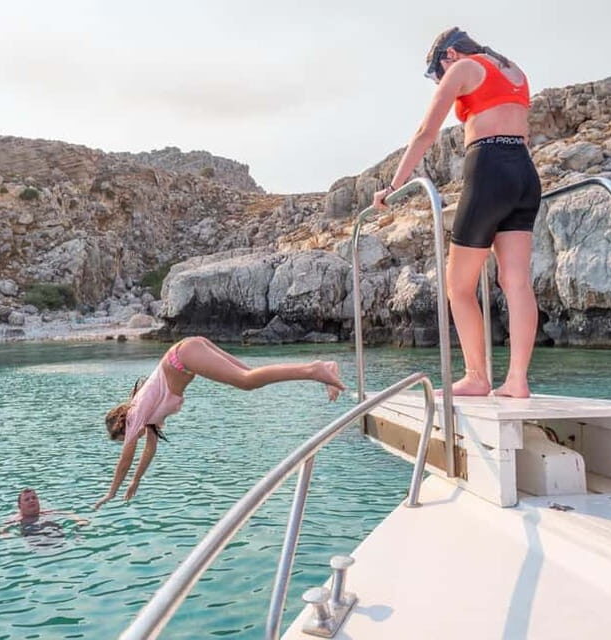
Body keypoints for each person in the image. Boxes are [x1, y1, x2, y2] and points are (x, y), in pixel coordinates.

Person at [373, 27, 540, 398]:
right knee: (516, 282)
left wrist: (393, 186)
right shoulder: (514, 71)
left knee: (458, 285)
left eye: (437, 73)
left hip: (490, 169)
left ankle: (477, 376)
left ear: (447, 55)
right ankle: (517, 380)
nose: (440, 80)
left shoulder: (463, 68)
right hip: (524, 173)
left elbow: (425, 132)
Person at [94, 336, 345, 509]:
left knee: (246, 381)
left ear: (121, 423)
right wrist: (136, 480)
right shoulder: (148, 416)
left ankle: (315, 369)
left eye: (125, 436)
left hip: (183, 356)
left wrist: (112, 491)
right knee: (251, 376)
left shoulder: (136, 410)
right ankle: (323, 370)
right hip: (187, 352)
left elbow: (128, 455)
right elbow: (149, 449)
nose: (133, 438)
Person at [0, 488, 89, 539]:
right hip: (33, 538)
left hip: (55, 535)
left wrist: (79, 520)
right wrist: (7, 536)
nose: (31, 501)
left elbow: (67, 513)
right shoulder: (16, 519)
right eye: (27, 499)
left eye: (34, 498)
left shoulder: (44, 512)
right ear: (20, 506)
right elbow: (3, 531)